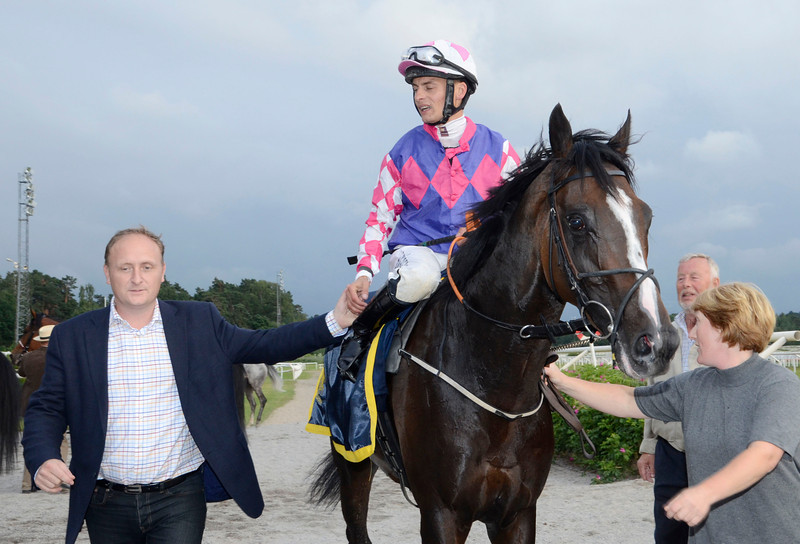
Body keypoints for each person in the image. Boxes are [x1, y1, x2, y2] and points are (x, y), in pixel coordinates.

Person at [22, 226, 356, 544]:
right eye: (125, 268)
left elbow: (265, 344)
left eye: (146, 266)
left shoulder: (200, 321)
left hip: (179, 498)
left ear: (162, 272)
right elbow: (47, 407)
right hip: (104, 501)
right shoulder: (74, 336)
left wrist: (334, 322)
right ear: (107, 273)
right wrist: (43, 457)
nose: (136, 278)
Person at [545, 283, 800, 543]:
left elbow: (764, 454)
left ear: (724, 327)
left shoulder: (779, 385)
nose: (690, 335)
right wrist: (560, 379)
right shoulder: (693, 385)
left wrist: (703, 494)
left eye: (697, 323)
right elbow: (627, 399)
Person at [339, 39, 520, 378]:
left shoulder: (500, 149)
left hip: (475, 255)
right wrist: (364, 272)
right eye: (416, 88)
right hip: (419, 254)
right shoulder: (401, 151)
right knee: (419, 278)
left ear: (459, 90)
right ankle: (361, 333)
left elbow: (521, 210)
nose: (419, 96)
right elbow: (380, 218)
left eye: (429, 86)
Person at [637, 254, 719, 543]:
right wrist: (648, 445)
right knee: (669, 529)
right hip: (670, 451)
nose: (686, 284)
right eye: (680, 278)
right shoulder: (663, 335)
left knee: (715, 528)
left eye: (694, 277)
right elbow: (650, 391)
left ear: (715, 283)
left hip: (715, 451)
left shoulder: (728, 332)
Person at [18, 324, 69, 493]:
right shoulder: (63, 357)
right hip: (54, 406)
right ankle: (57, 479)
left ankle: (28, 483)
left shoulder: (29, 357)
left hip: (29, 403)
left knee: (34, 442)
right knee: (60, 441)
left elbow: (22, 373)